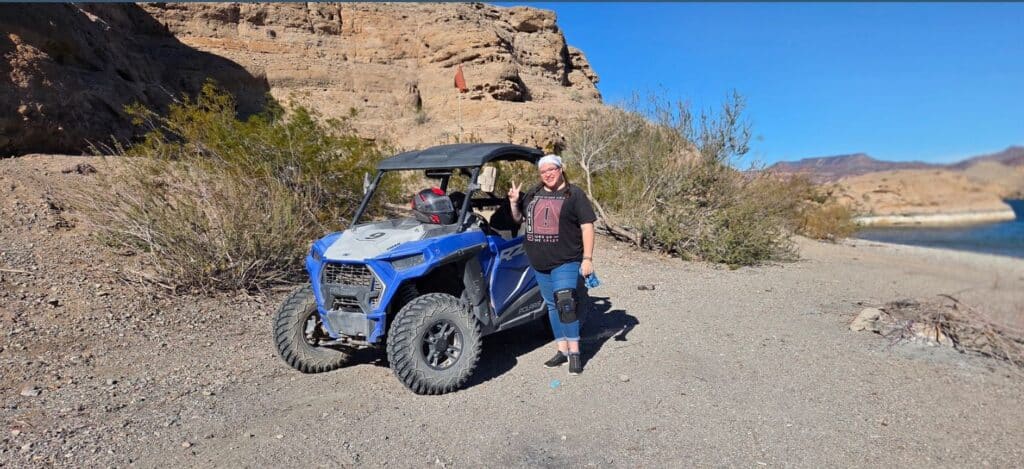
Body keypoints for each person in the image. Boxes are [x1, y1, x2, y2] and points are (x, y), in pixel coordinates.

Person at [508, 154, 597, 375]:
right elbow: (519, 220)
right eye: (543, 171)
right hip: (539, 261)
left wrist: (587, 258)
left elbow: (587, 226)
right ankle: (562, 350)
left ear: (560, 169)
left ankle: (575, 353)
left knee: (565, 301)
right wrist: (514, 202)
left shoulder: (574, 194)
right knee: (552, 305)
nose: (548, 174)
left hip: (567, 259)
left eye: (552, 169)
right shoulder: (533, 194)